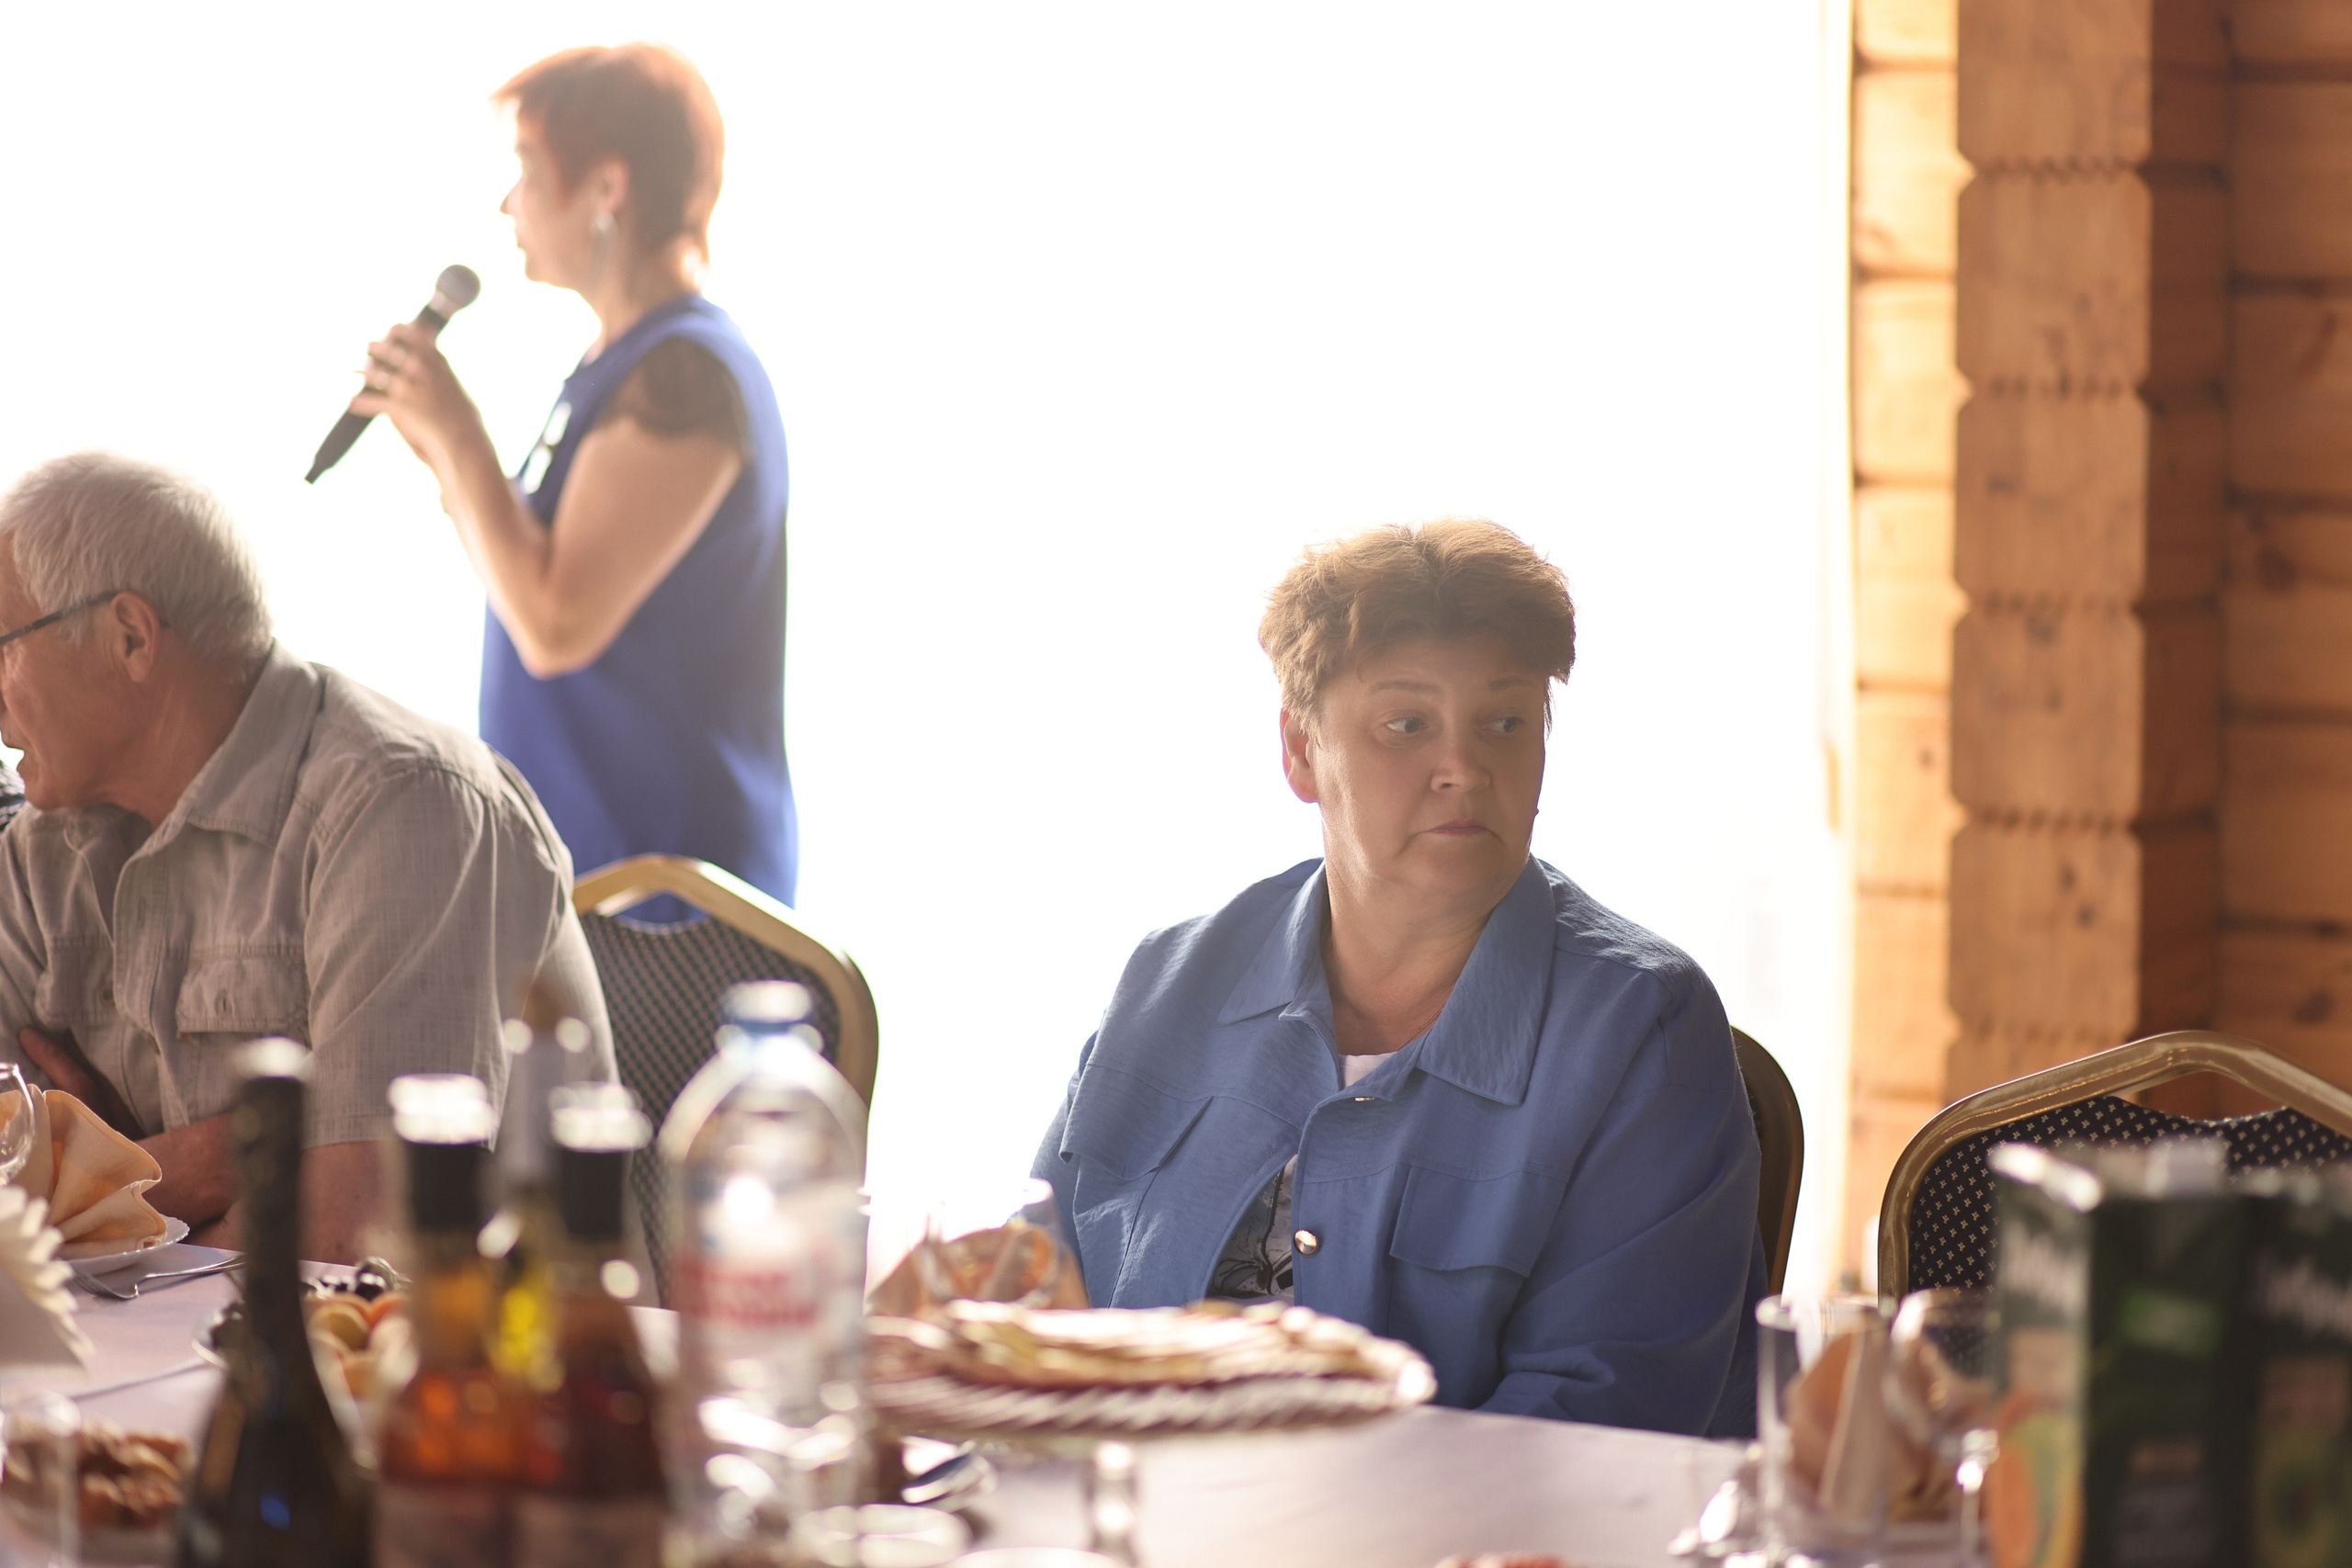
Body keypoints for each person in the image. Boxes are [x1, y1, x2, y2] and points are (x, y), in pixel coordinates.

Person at [1032, 519, 1766, 1435]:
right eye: (1406, 725)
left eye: (1504, 722)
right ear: (1300, 750)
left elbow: (1590, 1428)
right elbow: (1028, 1315)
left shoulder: (1641, 1030)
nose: (1462, 767)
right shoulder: (1168, 984)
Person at [0, 453, 614, 1263]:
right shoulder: (43, 845)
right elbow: (10, 1187)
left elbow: (358, 1237)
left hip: (481, 1366)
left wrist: (101, 1182)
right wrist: (244, 1153)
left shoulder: (405, 803)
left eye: (3, 646)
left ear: (130, 636)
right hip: (143, 1364)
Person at [351, 43, 797, 913]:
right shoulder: (616, 365)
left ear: (606, 188)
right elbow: (532, 573)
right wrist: (443, 453)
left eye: (526, 168)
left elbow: (556, 624)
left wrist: (460, 435)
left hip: (669, 904)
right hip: (596, 882)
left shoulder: (684, 376)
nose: (508, 202)